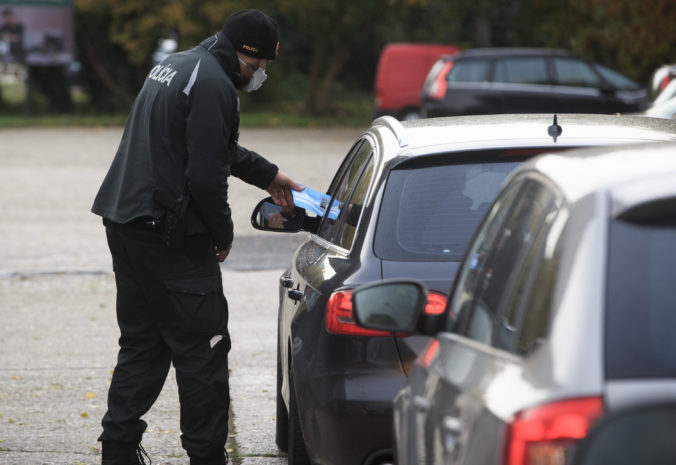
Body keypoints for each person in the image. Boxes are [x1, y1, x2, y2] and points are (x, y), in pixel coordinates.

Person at [91, 9, 302, 465]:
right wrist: (222, 232)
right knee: (203, 351)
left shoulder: (182, 65)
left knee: (143, 343)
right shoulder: (214, 84)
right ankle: (208, 457)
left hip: (126, 223)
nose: (260, 74)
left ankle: (118, 451)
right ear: (243, 54)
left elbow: (212, 145)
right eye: (258, 66)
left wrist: (268, 175)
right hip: (170, 236)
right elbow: (206, 175)